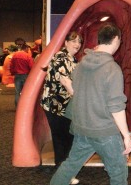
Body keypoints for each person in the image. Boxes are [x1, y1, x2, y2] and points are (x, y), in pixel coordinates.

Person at [50, 23, 131, 185]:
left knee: (70, 165)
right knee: (118, 171)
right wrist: (126, 135)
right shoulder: (112, 68)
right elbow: (116, 107)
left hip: (82, 128)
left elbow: (76, 93)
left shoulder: (81, 64)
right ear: (115, 39)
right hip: (105, 131)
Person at [41, 32, 82, 184]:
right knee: (62, 138)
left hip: (66, 105)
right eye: (73, 41)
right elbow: (66, 81)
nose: (77, 44)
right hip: (55, 105)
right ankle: (63, 173)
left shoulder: (72, 59)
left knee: (67, 137)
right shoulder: (61, 57)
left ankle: (64, 171)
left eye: (79, 41)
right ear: (65, 42)